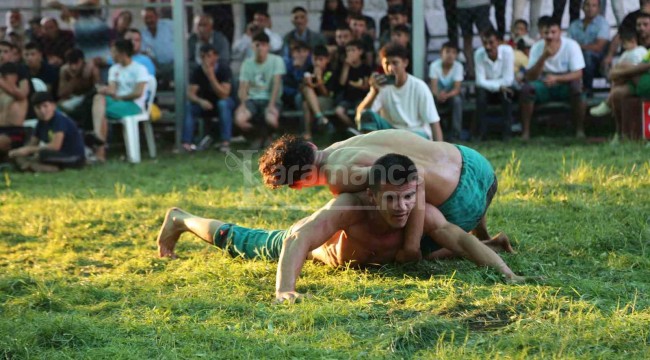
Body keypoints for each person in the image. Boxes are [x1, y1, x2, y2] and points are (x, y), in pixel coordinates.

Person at [159, 152, 530, 303]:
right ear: (371, 195)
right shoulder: (350, 206)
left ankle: (495, 246)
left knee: (447, 249)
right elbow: (298, 237)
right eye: (390, 199)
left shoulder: (422, 213)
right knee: (242, 240)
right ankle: (181, 219)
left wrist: (507, 275)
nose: (401, 208)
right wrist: (285, 290)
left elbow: (462, 241)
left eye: (407, 198)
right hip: (318, 255)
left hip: (381, 260)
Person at [258, 129, 515, 266]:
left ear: (298, 185)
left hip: (461, 204)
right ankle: (484, 237)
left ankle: (487, 245)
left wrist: (410, 247)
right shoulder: (345, 145)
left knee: (395, 238)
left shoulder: (337, 175)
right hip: (478, 166)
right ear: (312, 147)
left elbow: (417, 178)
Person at [357, 43, 443, 141]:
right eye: (387, 64)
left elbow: (434, 123)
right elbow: (361, 116)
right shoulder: (381, 86)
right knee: (367, 115)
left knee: (408, 139)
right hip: (391, 132)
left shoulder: (419, 86)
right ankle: (368, 149)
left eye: (395, 63)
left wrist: (439, 150)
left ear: (405, 63)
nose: (390, 68)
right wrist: (374, 92)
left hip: (415, 134)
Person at [519, 16, 586, 140]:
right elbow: (530, 76)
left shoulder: (571, 45)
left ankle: (580, 130)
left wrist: (557, 79)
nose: (550, 36)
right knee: (526, 90)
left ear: (560, 32)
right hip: (543, 83)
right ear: (541, 33)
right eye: (546, 33)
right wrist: (543, 57)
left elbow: (578, 73)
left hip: (564, 82)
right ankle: (526, 132)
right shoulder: (537, 47)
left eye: (553, 32)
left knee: (578, 88)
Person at [91, 39, 149, 161]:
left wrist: (120, 97)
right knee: (98, 98)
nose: (111, 55)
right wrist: (104, 89)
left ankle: (99, 148)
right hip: (117, 102)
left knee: (100, 113)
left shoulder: (139, 69)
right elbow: (113, 90)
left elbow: (138, 93)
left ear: (122, 53)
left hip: (133, 104)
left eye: (113, 52)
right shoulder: (114, 69)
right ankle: (99, 141)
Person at [8, 92, 85, 172]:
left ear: (53, 106)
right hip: (56, 156)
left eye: (45, 106)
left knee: (42, 154)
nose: (42, 110)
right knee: (18, 156)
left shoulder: (59, 120)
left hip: (72, 157)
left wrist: (29, 150)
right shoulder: (40, 123)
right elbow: (32, 143)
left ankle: (42, 168)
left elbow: (55, 146)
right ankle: (31, 166)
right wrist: (19, 151)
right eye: (38, 107)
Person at [235, 32, 286, 148]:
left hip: (270, 99)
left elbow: (276, 84)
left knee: (271, 119)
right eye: (257, 45)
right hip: (252, 99)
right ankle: (258, 136)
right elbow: (243, 86)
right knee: (240, 119)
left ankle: (271, 137)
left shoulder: (277, 60)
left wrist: (272, 105)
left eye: (263, 45)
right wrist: (242, 104)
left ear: (268, 46)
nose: (260, 48)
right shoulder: (247, 63)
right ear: (252, 46)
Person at [184, 45, 235, 153]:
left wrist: (211, 76)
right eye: (203, 56)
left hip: (222, 102)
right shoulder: (198, 71)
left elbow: (224, 94)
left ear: (216, 56)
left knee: (223, 104)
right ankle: (186, 143)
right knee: (190, 106)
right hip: (205, 104)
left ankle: (225, 142)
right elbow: (190, 94)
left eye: (209, 56)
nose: (206, 59)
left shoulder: (223, 69)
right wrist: (200, 101)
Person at [591, 28, 647, 121]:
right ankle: (611, 108)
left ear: (633, 41)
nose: (624, 47)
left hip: (638, 78)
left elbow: (640, 66)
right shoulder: (626, 53)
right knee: (616, 87)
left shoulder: (640, 51)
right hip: (628, 81)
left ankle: (608, 104)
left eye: (624, 44)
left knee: (621, 71)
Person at [474, 27, 515, 141]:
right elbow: (479, 81)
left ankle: (507, 133)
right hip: (489, 90)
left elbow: (508, 80)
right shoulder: (479, 54)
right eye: (485, 43)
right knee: (480, 95)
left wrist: (495, 85)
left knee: (507, 95)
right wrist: (498, 86)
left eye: (491, 43)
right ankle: (482, 133)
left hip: (504, 89)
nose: (487, 47)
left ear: (499, 42)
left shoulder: (508, 52)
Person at [567, 0, 610, 93]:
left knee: (588, 55)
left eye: (594, 6)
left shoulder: (603, 23)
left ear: (598, 9)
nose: (590, 8)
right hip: (577, 57)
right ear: (582, 7)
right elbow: (568, 46)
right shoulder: (574, 25)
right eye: (587, 5)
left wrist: (578, 47)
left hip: (597, 58)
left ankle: (587, 89)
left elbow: (598, 47)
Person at [57, 48, 101, 131]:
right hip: (73, 98)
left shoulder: (92, 69)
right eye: (71, 64)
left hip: (88, 98)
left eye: (76, 63)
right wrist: (73, 79)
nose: (73, 67)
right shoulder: (64, 71)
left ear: (81, 61)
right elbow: (61, 93)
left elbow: (98, 88)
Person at [429, 42, 464, 141]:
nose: (450, 55)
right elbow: (434, 87)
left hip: (451, 96)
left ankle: (455, 134)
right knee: (431, 100)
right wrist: (438, 95)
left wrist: (446, 95)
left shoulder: (458, 66)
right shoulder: (434, 66)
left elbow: (457, 89)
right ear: (441, 53)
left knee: (457, 101)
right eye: (447, 52)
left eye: (453, 52)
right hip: (438, 96)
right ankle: (434, 133)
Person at [602, 0, 650, 73]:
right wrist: (609, 56)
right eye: (639, 25)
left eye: (645, 24)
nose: (642, 28)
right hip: (632, 59)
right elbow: (619, 35)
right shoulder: (631, 17)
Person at [301, 45, 337, 140]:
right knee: (306, 98)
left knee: (306, 104)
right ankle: (320, 117)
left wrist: (319, 79)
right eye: (315, 59)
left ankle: (308, 133)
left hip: (326, 100)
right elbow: (302, 90)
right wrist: (307, 82)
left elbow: (326, 94)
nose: (317, 62)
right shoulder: (308, 69)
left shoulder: (331, 72)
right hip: (312, 100)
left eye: (320, 59)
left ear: (327, 59)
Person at [334, 40, 371, 132]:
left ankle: (360, 130)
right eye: (348, 51)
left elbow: (366, 86)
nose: (350, 53)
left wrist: (358, 85)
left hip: (360, 97)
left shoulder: (365, 67)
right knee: (339, 111)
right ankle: (354, 129)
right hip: (347, 98)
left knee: (359, 110)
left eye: (353, 50)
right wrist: (346, 66)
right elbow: (342, 83)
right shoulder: (343, 66)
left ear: (360, 52)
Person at [457, 0, 494, 77]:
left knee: (486, 37)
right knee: (467, 39)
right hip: (462, 6)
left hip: (481, 4)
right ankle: (471, 71)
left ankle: (490, 68)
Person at [140, 7, 174, 83]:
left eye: (151, 17)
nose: (149, 20)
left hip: (174, 65)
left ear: (157, 17)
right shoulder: (142, 33)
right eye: (146, 18)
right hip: (156, 67)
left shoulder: (169, 25)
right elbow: (144, 52)